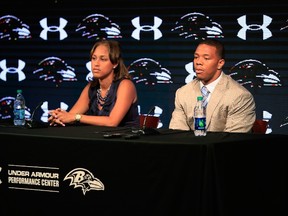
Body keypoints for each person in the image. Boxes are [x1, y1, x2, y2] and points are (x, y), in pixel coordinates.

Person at [169, 39, 256, 133]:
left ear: (220, 63)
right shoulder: (183, 93)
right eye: (196, 57)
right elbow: (177, 135)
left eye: (206, 58)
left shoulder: (239, 96)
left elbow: (232, 140)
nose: (198, 62)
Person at [48, 39, 139, 127]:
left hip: (125, 140)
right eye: (94, 58)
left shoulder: (126, 85)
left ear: (115, 63)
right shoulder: (91, 87)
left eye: (103, 59)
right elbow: (71, 116)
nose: (96, 64)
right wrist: (59, 117)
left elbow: (112, 122)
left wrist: (76, 117)